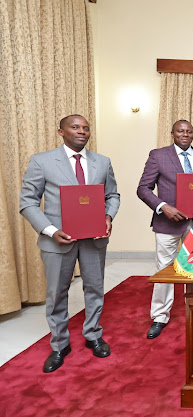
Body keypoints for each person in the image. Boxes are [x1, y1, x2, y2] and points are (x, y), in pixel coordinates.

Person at [19, 115, 120, 372]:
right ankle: (59, 344)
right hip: (57, 240)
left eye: (86, 128)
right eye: (75, 127)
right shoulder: (41, 161)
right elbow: (28, 202)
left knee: (95, 289)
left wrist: (107, 218)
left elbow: (113, 195)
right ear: (60, 131)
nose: (82, 132)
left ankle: (94, 335)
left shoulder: (102, 161)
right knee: (56, 294)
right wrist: (50, 230)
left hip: (94, 240)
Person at [136, 120, 193, 339]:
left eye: (189, 131)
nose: (185, 134)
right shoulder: (158, 155)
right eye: (181, 131)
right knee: (165, 270)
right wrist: (163, 207)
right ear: (172, 133)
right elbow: (143, 188)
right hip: (167, 223)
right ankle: (160, 316)